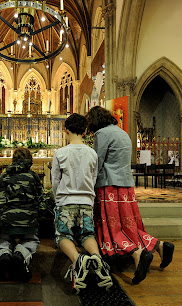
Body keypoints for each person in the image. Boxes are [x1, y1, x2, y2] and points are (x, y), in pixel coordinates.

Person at [86, 106, 175, 284]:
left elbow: (97, 161)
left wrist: (88, 184)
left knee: (112, 229)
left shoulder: (102, 134)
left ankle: (137, 254)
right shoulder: (122, 132)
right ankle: (160, 246)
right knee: (130, 227)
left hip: (109, 187)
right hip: (127, 187)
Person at [51, 113, 112, 294]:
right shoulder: (92, 153)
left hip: (66, 202)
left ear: (66, 131)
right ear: (85, 131)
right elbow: (93, 179)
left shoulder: (60, 153)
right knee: (87, 234)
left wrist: (58, 200)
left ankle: (78, 261)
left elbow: (55, 181)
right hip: (86, 202)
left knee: (63, 236)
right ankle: (97, 259)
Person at [0, 147, 43, 283]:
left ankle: (4, 254)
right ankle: (21, 254)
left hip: (7, 220)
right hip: (28, 221)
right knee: (30, 240)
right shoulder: (33, 176)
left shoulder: (4, 176)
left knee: (4, 240)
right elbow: (40, 198)